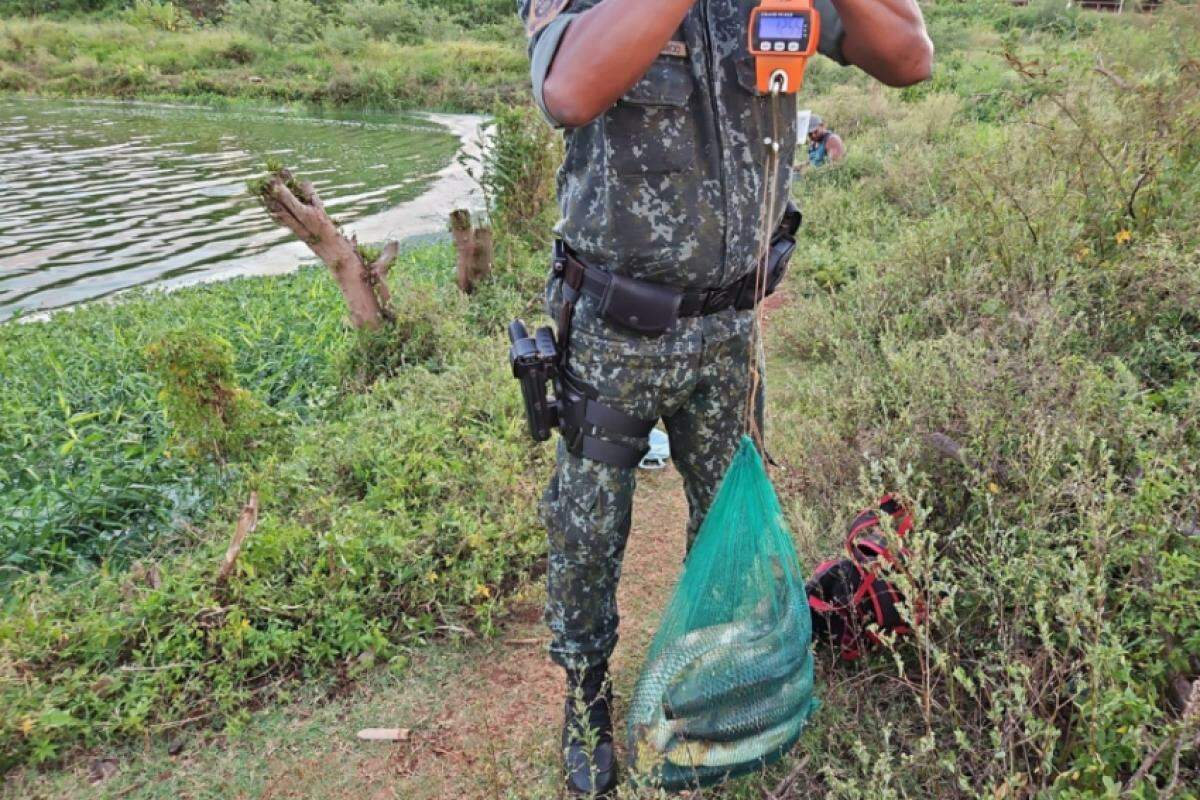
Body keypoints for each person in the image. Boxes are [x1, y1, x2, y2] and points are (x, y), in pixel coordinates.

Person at [516, 0, 932, 794]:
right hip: (615, 322)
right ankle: (587, 698)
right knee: (589, 525)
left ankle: (707, 683)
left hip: (734, 325)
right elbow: (568, 90)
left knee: (728, 517)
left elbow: (909, 57)